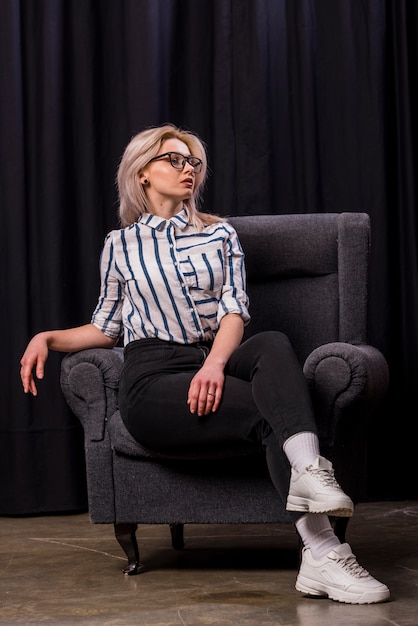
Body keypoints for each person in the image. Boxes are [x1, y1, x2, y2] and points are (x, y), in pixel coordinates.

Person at [20, 123, 389, 605]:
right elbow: (106, 327)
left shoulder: (219, 233)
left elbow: (235, 310)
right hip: (153, 380)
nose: (188, 169)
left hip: (214, 356)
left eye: (192, 162)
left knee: (273, 342)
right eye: (174, 160)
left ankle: (308, 476)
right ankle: (323, 552)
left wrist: (214, 365)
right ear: (142, 174)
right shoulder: (121, 245)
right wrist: (47, 337)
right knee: (273, 413)